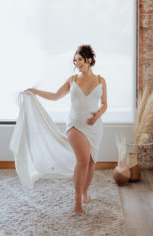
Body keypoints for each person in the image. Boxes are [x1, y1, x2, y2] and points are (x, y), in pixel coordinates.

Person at [24, 44, 107, 214]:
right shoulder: (72, 80)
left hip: (94, 126)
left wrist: (97, 116)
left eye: (80, 60)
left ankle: (85, 192)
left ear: (89, 60)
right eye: (75, 60)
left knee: (91, 163)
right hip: (75, 126)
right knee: (83, 161)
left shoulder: (100, 80)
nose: (77, 63)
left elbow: (105, 104)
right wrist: (34, 91)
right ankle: (77, 201)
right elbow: (55, 96)